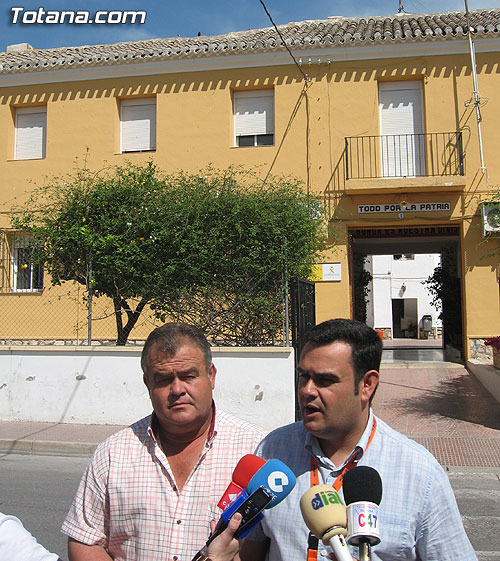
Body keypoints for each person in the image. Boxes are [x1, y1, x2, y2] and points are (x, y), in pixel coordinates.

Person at [239, 318, 477, 561]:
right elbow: (249, 552)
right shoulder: (273, 450)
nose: (307, 390)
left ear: (367, 385)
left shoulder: (420, 473)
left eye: (325, 380)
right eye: (303, 376)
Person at [62, 322, 267, 561]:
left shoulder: (256, 449)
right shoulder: (113, 453)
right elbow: (85, 540)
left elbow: (274, 543)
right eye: (163, 379)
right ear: (147, 382)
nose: (177, 389)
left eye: (189, 376)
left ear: (211, 376)